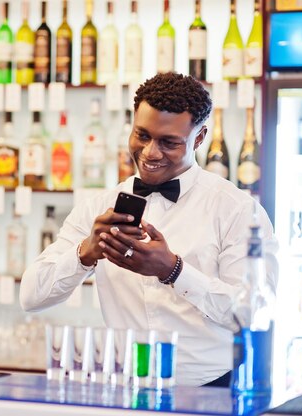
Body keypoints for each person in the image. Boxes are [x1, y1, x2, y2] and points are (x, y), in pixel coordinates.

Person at [19, 72, 279, 387]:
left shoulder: (238, 211)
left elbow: (253, 314)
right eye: (142, 135)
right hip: (125, 388)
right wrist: (84, 253)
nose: (150, 152)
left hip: (213, 389)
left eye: (168, 142)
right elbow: (31, 296)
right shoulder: (98, 206)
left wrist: (174, 270)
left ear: (199, 139)